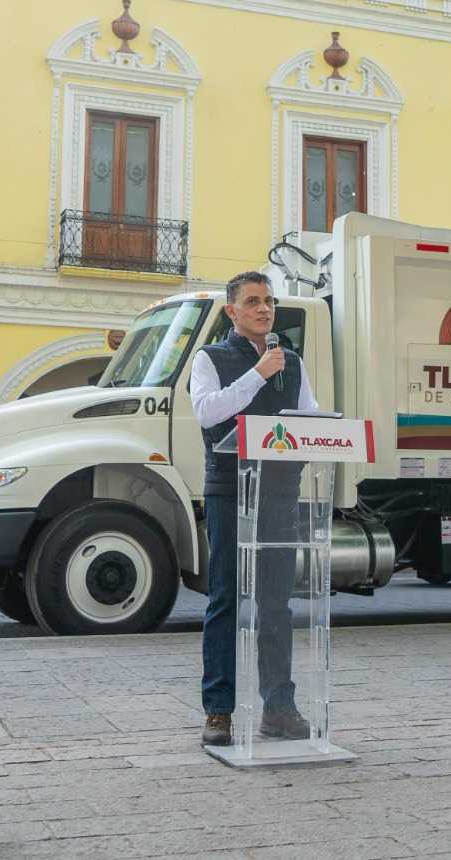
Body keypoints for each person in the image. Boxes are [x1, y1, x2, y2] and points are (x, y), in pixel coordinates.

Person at [189, 270, 319, 747]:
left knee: (276, 605)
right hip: (230, 491)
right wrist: (257, 374)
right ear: (232, 311)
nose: (265, 309)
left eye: (269, 300)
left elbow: (308, 419)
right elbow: (208, 413)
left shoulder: (294, 363)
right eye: (253, 301)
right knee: (225, 598)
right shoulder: (210, 358)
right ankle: (218, 711)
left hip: (280, 492)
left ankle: (279, 708)